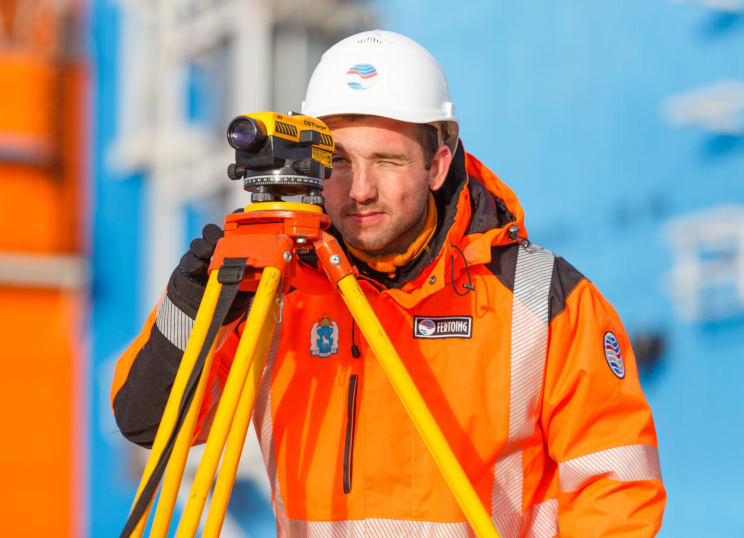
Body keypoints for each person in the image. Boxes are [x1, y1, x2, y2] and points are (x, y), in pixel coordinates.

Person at [111, 30, 665, 537]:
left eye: (388, 160)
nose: (360, 190)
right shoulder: (275, 290)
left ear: (439, 164)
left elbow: (616, 491)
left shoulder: (544, 300)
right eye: (340, 163)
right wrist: (193, 305)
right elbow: (147, 423)